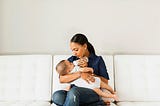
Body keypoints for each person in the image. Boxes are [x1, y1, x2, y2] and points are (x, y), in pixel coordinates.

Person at [52, 33, 111, 106]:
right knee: (57, 96)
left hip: (92, 92)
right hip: (73, 91)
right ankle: (97, 104)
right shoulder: (73, 60)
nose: (74, 53)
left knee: (74, 93)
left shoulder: (98, 60)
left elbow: (105, 82)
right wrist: (80, 73)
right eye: (72, 50)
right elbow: (62, 79)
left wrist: (89, 73)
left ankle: (79, 101)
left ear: (85, 46)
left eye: (76, 50)